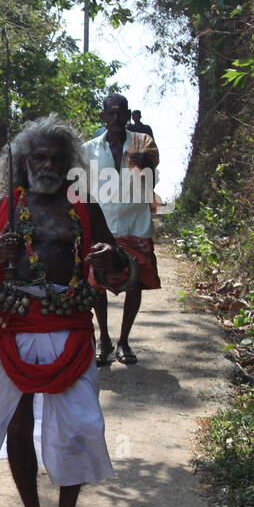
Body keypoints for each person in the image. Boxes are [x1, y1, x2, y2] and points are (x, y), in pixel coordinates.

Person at [0, 114, 129, 507]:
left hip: (70, 326)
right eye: (38, 157)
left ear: (69, 163)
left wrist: (111, 256)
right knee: (17, 421)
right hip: (16, 326)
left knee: (81, 425)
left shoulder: (84, 207)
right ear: (22, 162)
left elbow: (120, 275)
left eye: (55, 157)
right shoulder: (1, 207)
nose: (46, 165)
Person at [83, 94, 160, 366]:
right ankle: (103, 338)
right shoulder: (87, 150)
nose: (115, 119)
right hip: (101, 226)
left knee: (135, 282)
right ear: (103, 116)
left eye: (120, 114)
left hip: (135, 222)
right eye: (110, 114)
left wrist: (142, 161)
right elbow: (81, 190)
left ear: (127, 116)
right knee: (96, 285)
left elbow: (153, 174)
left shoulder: (143, 143)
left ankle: (124, 339)